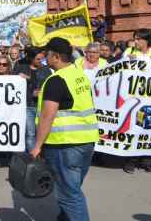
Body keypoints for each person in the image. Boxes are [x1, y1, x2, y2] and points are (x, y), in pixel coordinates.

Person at [30, 37, 99, 221]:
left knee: (69, 195)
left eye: (48, 54)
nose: (45, 57)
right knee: (71, 189)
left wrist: (37, 145)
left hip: (64, 145)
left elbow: (47, 115)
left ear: (57, 57)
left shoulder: (56, 80)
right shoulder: (79, 75)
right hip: (86, 143)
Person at [122, 29, 151, 174]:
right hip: (134, 99)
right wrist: (127, 61)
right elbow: (122, 71)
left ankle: (147, 161)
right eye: (135, 39)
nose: (135, 42)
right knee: (134, 128)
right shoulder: (129, 52)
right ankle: (130, 161)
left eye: (138, 39)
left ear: (147, 40)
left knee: (150, 129)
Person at [13, 47, 51, 152]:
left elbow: (50, 86)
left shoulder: (46, 70)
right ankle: (32, 157)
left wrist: (41, 92)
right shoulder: (21, 68)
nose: (41, 62)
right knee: (30, 133)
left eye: (42, 59)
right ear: (31, 58)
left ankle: (40, 153)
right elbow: (14, 86)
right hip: (27, 105)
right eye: (38, 59)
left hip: (41, 106)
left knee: (41, 132)